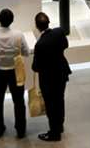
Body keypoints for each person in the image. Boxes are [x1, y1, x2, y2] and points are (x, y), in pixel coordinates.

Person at [0, 8, 29, 139]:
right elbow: (26, 52)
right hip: (16, 72)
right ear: (12, 20)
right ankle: (20, 130)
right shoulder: (19, 35)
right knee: (19, 101)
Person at [32, 12, 71, 142]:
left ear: (37, 26)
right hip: (61, 73)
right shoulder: (59, 32)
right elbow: (65, 45)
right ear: (49, 22)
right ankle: (59, 125)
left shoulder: (39, 45)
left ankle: (54, 133)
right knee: (60, 100)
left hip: (48, 80)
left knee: (51, 106)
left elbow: (35, 67)